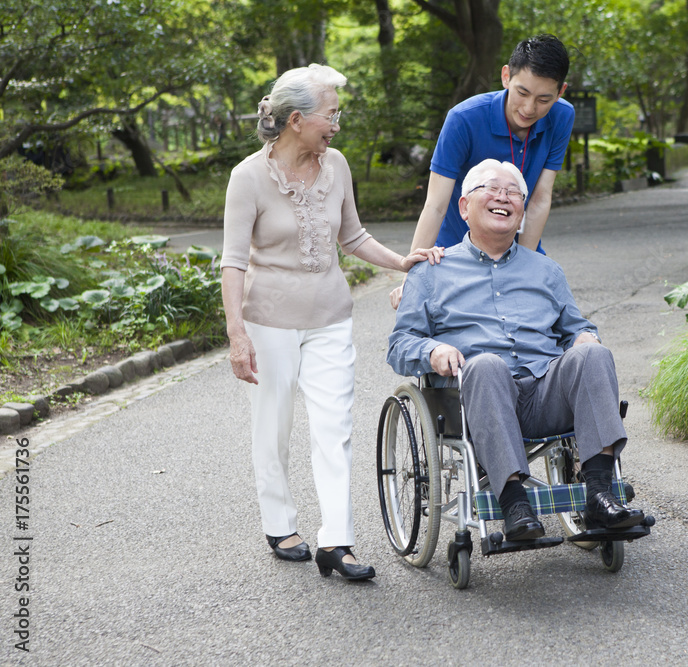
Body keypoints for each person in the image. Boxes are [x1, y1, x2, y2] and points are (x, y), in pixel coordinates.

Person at [221, 64, 442, 581]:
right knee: (273, 425)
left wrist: (402, 261)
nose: (337, 124)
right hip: (268, 319)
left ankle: (336, 542)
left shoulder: (337, 164)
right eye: (331, 114)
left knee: (335, 426)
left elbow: (354, 236)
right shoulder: (248, 177)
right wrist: (237, 335)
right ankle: (279, 524)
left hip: (330, 317)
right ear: (297, 119)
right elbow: (232, 261)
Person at [387, 159, 643, 541]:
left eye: (513, 193)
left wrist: (586, 337)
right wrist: (433, 350)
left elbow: (577, 327)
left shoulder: (546, 270)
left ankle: (600, 495)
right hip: (477, 397)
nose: (503, 197)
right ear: (463, 207)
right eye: (491, 189)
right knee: (486, 363)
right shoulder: (431, 271)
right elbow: (400, 344)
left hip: (544, 394)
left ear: (522, 211)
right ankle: (515, 505)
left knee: (594, 354)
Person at [389, 34, 575, 308]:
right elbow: (435, 205)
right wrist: (411, 277)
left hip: (516, 247)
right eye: (522, 92)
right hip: (454, 252)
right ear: (505, 76)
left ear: (560, 92)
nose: (528, 108)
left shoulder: (562, 116)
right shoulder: (463, 119)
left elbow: (539, 198)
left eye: (544, 99)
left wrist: (519, 268)